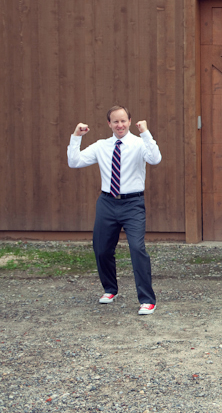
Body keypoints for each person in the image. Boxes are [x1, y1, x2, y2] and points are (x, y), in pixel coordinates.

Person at [67, 105, 162, 315]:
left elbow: (155, 159)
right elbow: (74, 162)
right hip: (107, 203)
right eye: (115, 121)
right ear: (109, 124)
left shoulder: (139, 144)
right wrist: (76, 136)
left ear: (130, 121)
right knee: (101, 249)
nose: (120, 125)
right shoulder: (101, 146)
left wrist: (146, 133)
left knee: (137, 249)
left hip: (133, 204)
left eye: (123, 121)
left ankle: (147, 299)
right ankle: (110, 289)